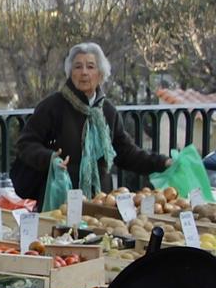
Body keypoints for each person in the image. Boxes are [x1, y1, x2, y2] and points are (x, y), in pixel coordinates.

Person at [14, 42, 172, 206]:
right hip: (60, 200)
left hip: (99, 202)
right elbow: (25, 144)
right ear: (70, 73)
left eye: (90, 67)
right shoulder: (53, 106)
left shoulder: (107, 111)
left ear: (100, 74)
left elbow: (126, 152)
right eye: (78, 67)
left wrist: (161, 162)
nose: (84, 73)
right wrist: (49, 158)